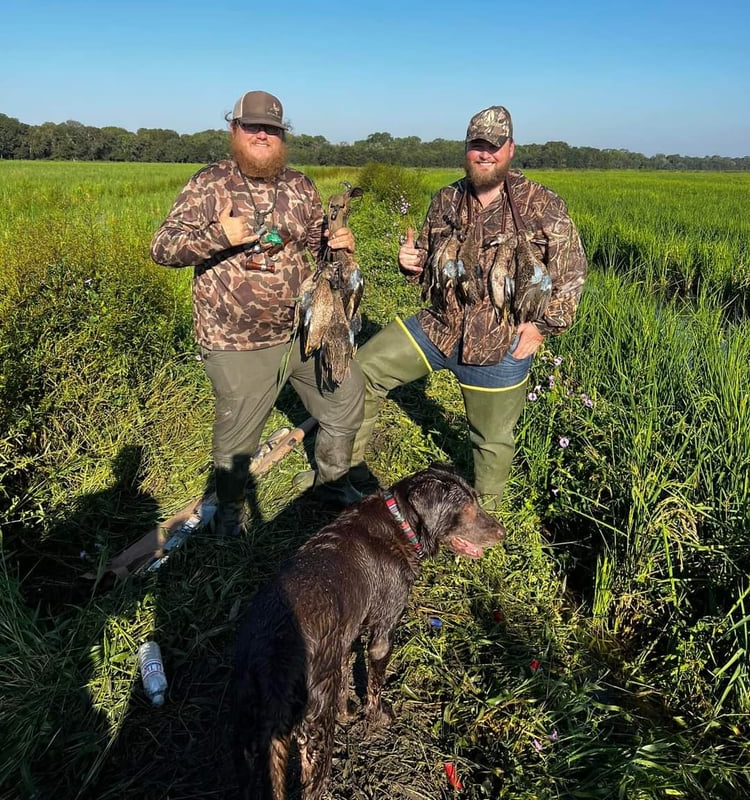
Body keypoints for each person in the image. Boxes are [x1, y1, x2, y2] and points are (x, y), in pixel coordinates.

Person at [350, 105, 587, 509]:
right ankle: (346, 474)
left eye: (494, 146)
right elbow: (428, 262)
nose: (485, 154)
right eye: (477, 145)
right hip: (440, 325)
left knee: (490, 440)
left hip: (501, 339)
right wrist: (411, 263)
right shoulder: (446, 198)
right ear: (466, 149)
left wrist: (542, 327)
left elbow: (573, 271)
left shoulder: (541, 203)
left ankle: (484, 515)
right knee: (364, 371)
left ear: (510, 149)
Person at [151, 90, 365, 536]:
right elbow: (163, 247)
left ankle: (330, 488)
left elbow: (313, 244)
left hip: (304, 330)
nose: (262, 135)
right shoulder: (209, 184)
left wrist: (335, 243)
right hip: (236, 341)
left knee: (345, 400)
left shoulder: (300, 185)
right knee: (238, 441)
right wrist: (218, 235)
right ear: (235, 131)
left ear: (282, 136)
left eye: (271, 129)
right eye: (253, 127)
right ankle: (228, 518)